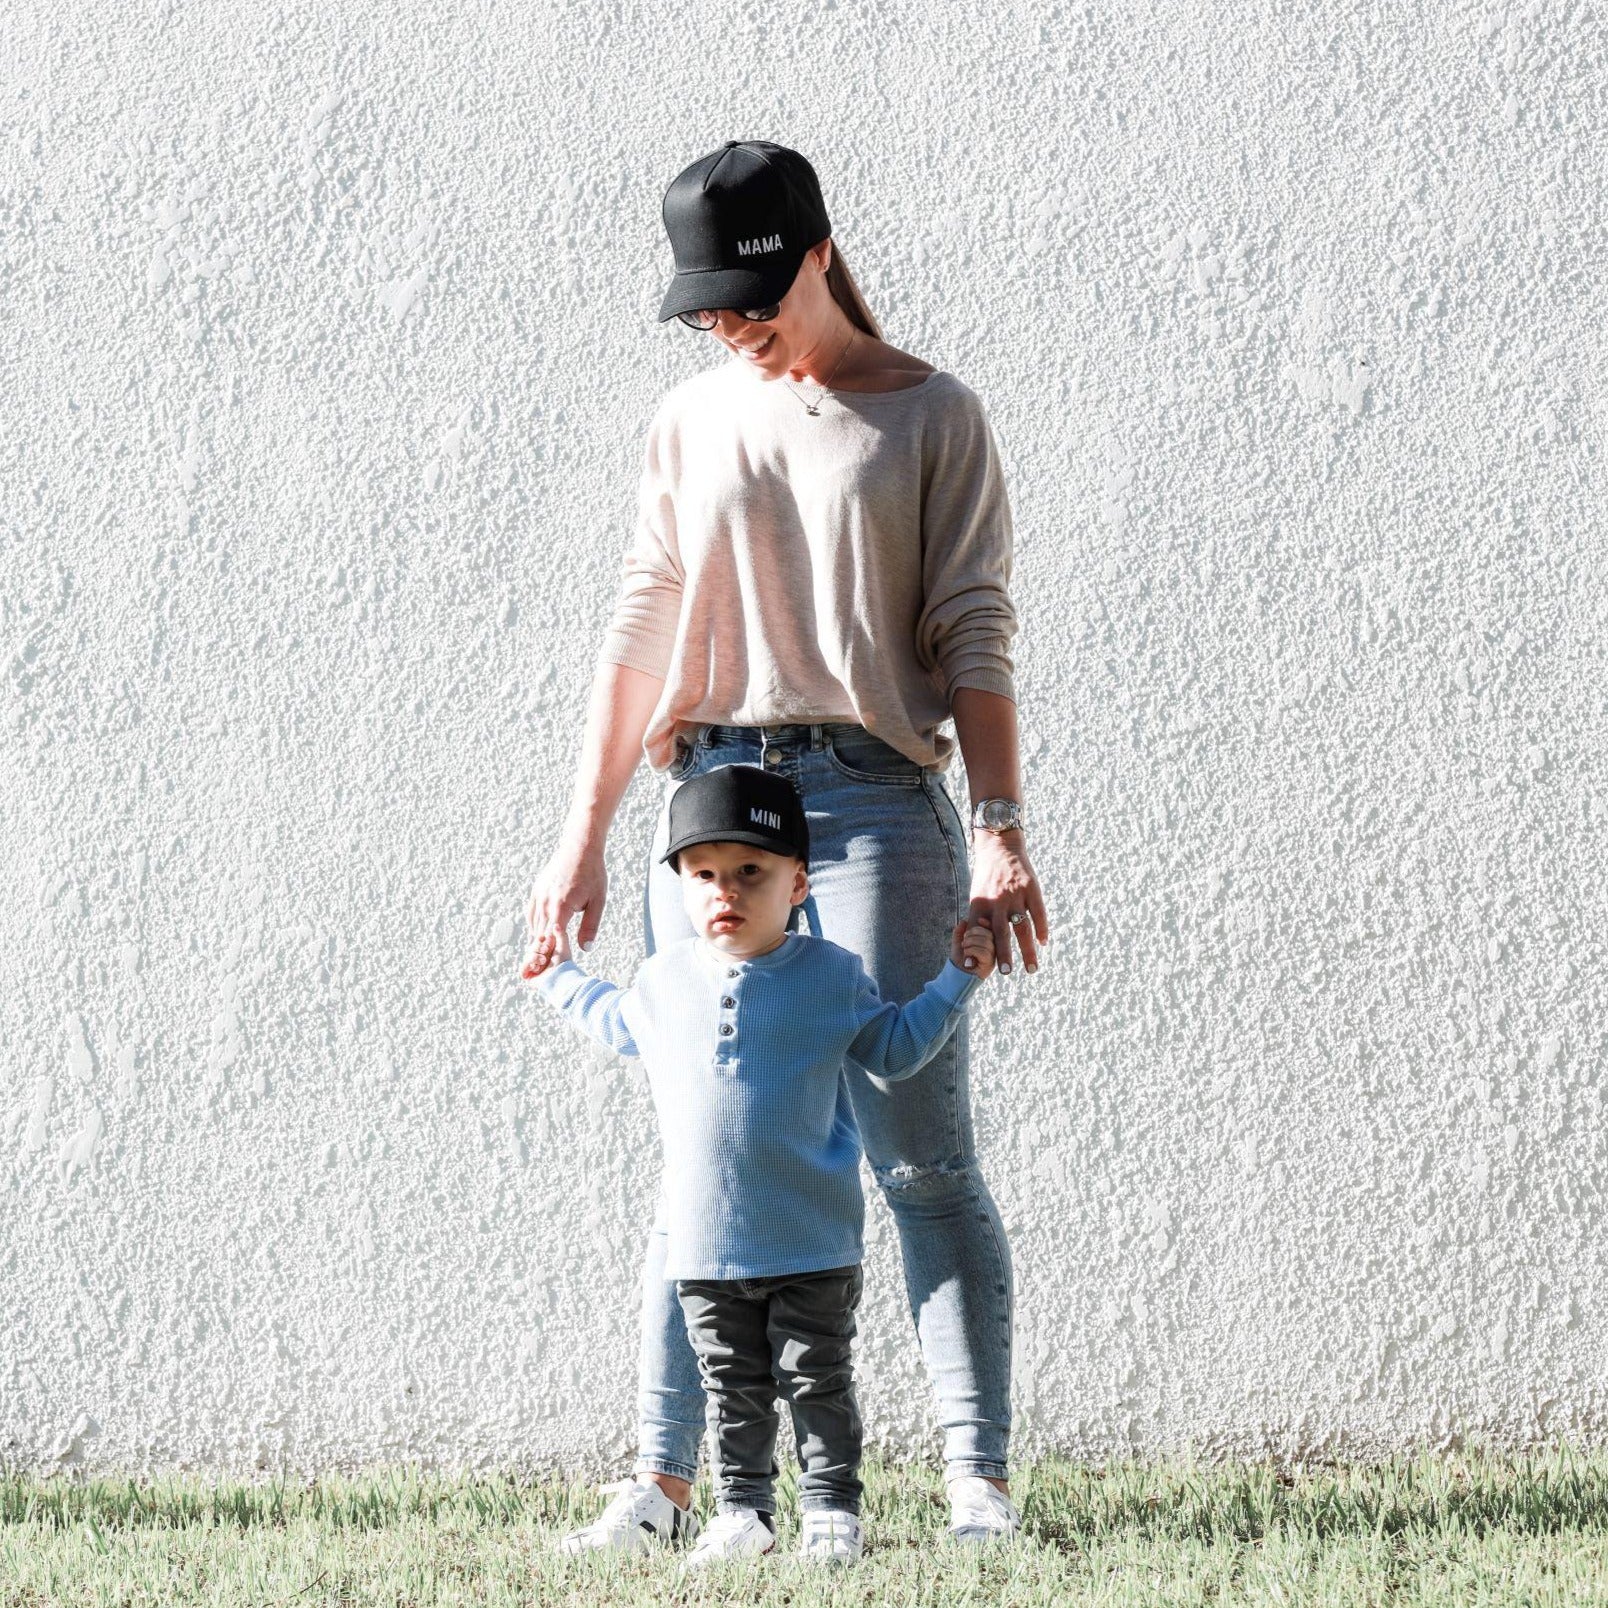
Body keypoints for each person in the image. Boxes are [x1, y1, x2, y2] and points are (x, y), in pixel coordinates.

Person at [521, 138, 1049, 1549]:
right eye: (700, 307)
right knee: (710, 1149)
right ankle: (668, 1483)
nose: (720, 325)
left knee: (920, 1158)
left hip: (875, 800)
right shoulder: (692, 419)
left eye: (740, 296)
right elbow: (640, 626)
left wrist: (999, 834)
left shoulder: (934, 416)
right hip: (706, 799)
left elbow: (972, 633)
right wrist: (582, 838)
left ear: (814, 251)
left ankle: (975, 1488)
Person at [527, 766, 999, 1564]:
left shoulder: (832, 976)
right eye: (704, 874)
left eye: (751, 872)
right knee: (732, 1394)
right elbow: (614, 1023)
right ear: (680, 884)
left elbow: (894, 1050)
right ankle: (741, 1513)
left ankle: (831, 1512)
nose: (726, 892)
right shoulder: (661, 981)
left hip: (813, 1244)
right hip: (704, 1253)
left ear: (798, 882)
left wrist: (957, 981)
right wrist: (554, 975)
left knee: (817, 1385)